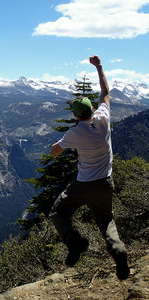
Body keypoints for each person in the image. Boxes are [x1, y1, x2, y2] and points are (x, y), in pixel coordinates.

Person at [49, 55, 130, 280]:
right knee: (105, 220)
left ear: (75, 114)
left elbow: (55, 151)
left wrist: (57, 145)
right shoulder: (103, 118)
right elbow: (105, 92)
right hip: (106, 182)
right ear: (92, 109)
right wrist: (99, 66)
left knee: (58, 211)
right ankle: (119, 252)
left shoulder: (75, 133)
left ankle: (75, 242)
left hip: (83, 184)